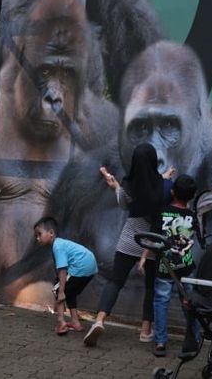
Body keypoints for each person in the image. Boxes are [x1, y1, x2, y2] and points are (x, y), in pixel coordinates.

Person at [84, 143, 173, 347]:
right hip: (151, 243)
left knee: (115, 281)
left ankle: (99, 320)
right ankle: (145, 331)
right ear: (153, 161)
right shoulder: (165, 187)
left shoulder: (129, 182)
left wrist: (115, 187)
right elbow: (160, 195)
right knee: (151, 288)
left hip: (130, 237)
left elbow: (125, 204)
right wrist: (166, 178)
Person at [152, 174, 201, 358]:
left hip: (165, 266)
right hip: (187, 267)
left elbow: (154, 238)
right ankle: (194, 338)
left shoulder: (162, 212)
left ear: (172, 192)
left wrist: (143, 258)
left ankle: (160, 342)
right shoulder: (192, 216)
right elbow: (194, 238)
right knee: (190, 303)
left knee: (161, 302)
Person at [33, 216, 97, 336]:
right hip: (91, 267)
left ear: (51, 233)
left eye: (39, 234)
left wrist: (61, 291)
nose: (37, 238)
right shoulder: (60, 243)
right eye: (36, 235)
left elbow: (62, 270)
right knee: (69, 291)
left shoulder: (58, 246)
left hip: (82, 267)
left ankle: (61, 322)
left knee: (58, 290)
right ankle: (75, 322)